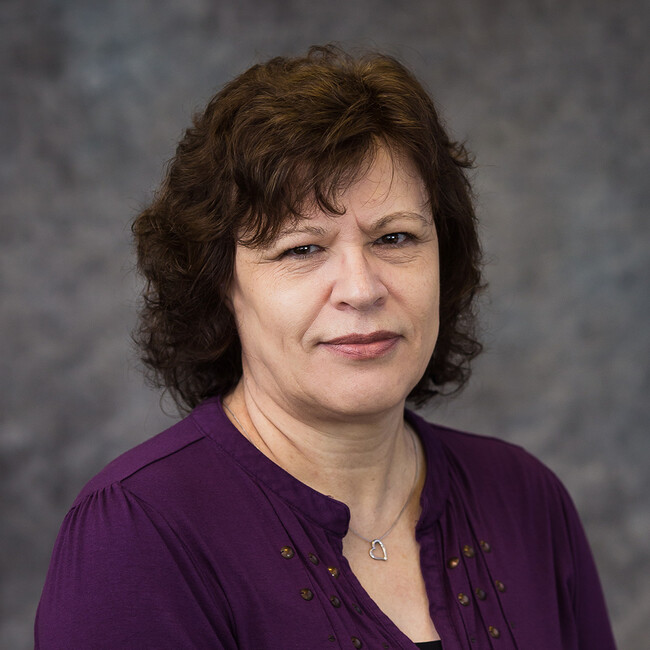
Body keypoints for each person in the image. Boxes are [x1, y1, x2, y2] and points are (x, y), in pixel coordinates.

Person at [35, 45, 616, 649]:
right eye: (301, 249)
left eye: (395, 237)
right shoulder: (134, 535)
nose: (362, 290)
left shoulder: (525, 499)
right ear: (221, 287)